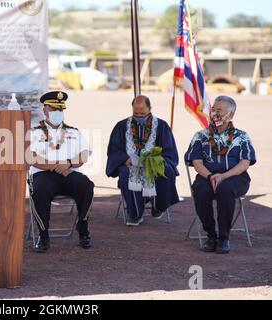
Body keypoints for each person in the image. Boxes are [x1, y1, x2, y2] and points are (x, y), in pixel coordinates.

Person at [184, 96, 256, 254]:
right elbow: (196, 163)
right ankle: (211, 236)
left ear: (230, 115)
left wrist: (223, 176)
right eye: (213, 110)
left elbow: (245, 163)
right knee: (201, 191)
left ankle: (224, 238)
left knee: (225, 190)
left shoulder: (242, 136)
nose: (215, 114)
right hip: (206, 175)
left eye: (219, 111)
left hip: (235, 177)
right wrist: (211, 176)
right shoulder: (200, 136)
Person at [29, 91, 94, 252]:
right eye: (53, 110)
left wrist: (69, 163)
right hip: (43, 174)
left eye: (60, 110)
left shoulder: (73, 131)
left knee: (86, 185)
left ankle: (83, 227)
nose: (57, 113)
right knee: (40, 191)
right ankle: (43, 236)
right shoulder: (33, 132)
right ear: (44, 110)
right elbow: (31, 157)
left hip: (68, 172)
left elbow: (84, 154)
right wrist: (55, 166)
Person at [106, 95, 179, 226]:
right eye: (136, 113)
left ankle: (158, 207)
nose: (139, 116)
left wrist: (154, 160)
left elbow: (169, 151)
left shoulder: (161, 126)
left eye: (142, 113)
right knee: (125, 173)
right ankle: (134, 214)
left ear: (150, 108)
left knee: (166, 171)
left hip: (153, 164)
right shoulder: (122, 126)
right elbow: (114, 149)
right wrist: (125, 159)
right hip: (130, 164)